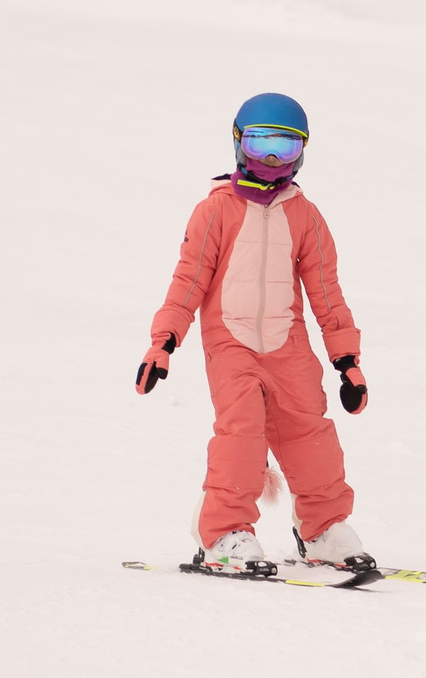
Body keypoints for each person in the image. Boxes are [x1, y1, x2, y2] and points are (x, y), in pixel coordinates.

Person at [136, 92, 371, 575]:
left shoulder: (306, 216)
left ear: (301, 152)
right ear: (239, 143)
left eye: (285, 146)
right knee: (241, 434)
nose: (271, 158)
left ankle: (323, 530)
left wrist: (347, 360)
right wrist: (164, 342)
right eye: (261, 143)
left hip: (289, 343)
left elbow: (326, 291)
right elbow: (188, 281)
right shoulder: (215, 211)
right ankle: (223, 533)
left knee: (311, 433)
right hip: (231, 341)